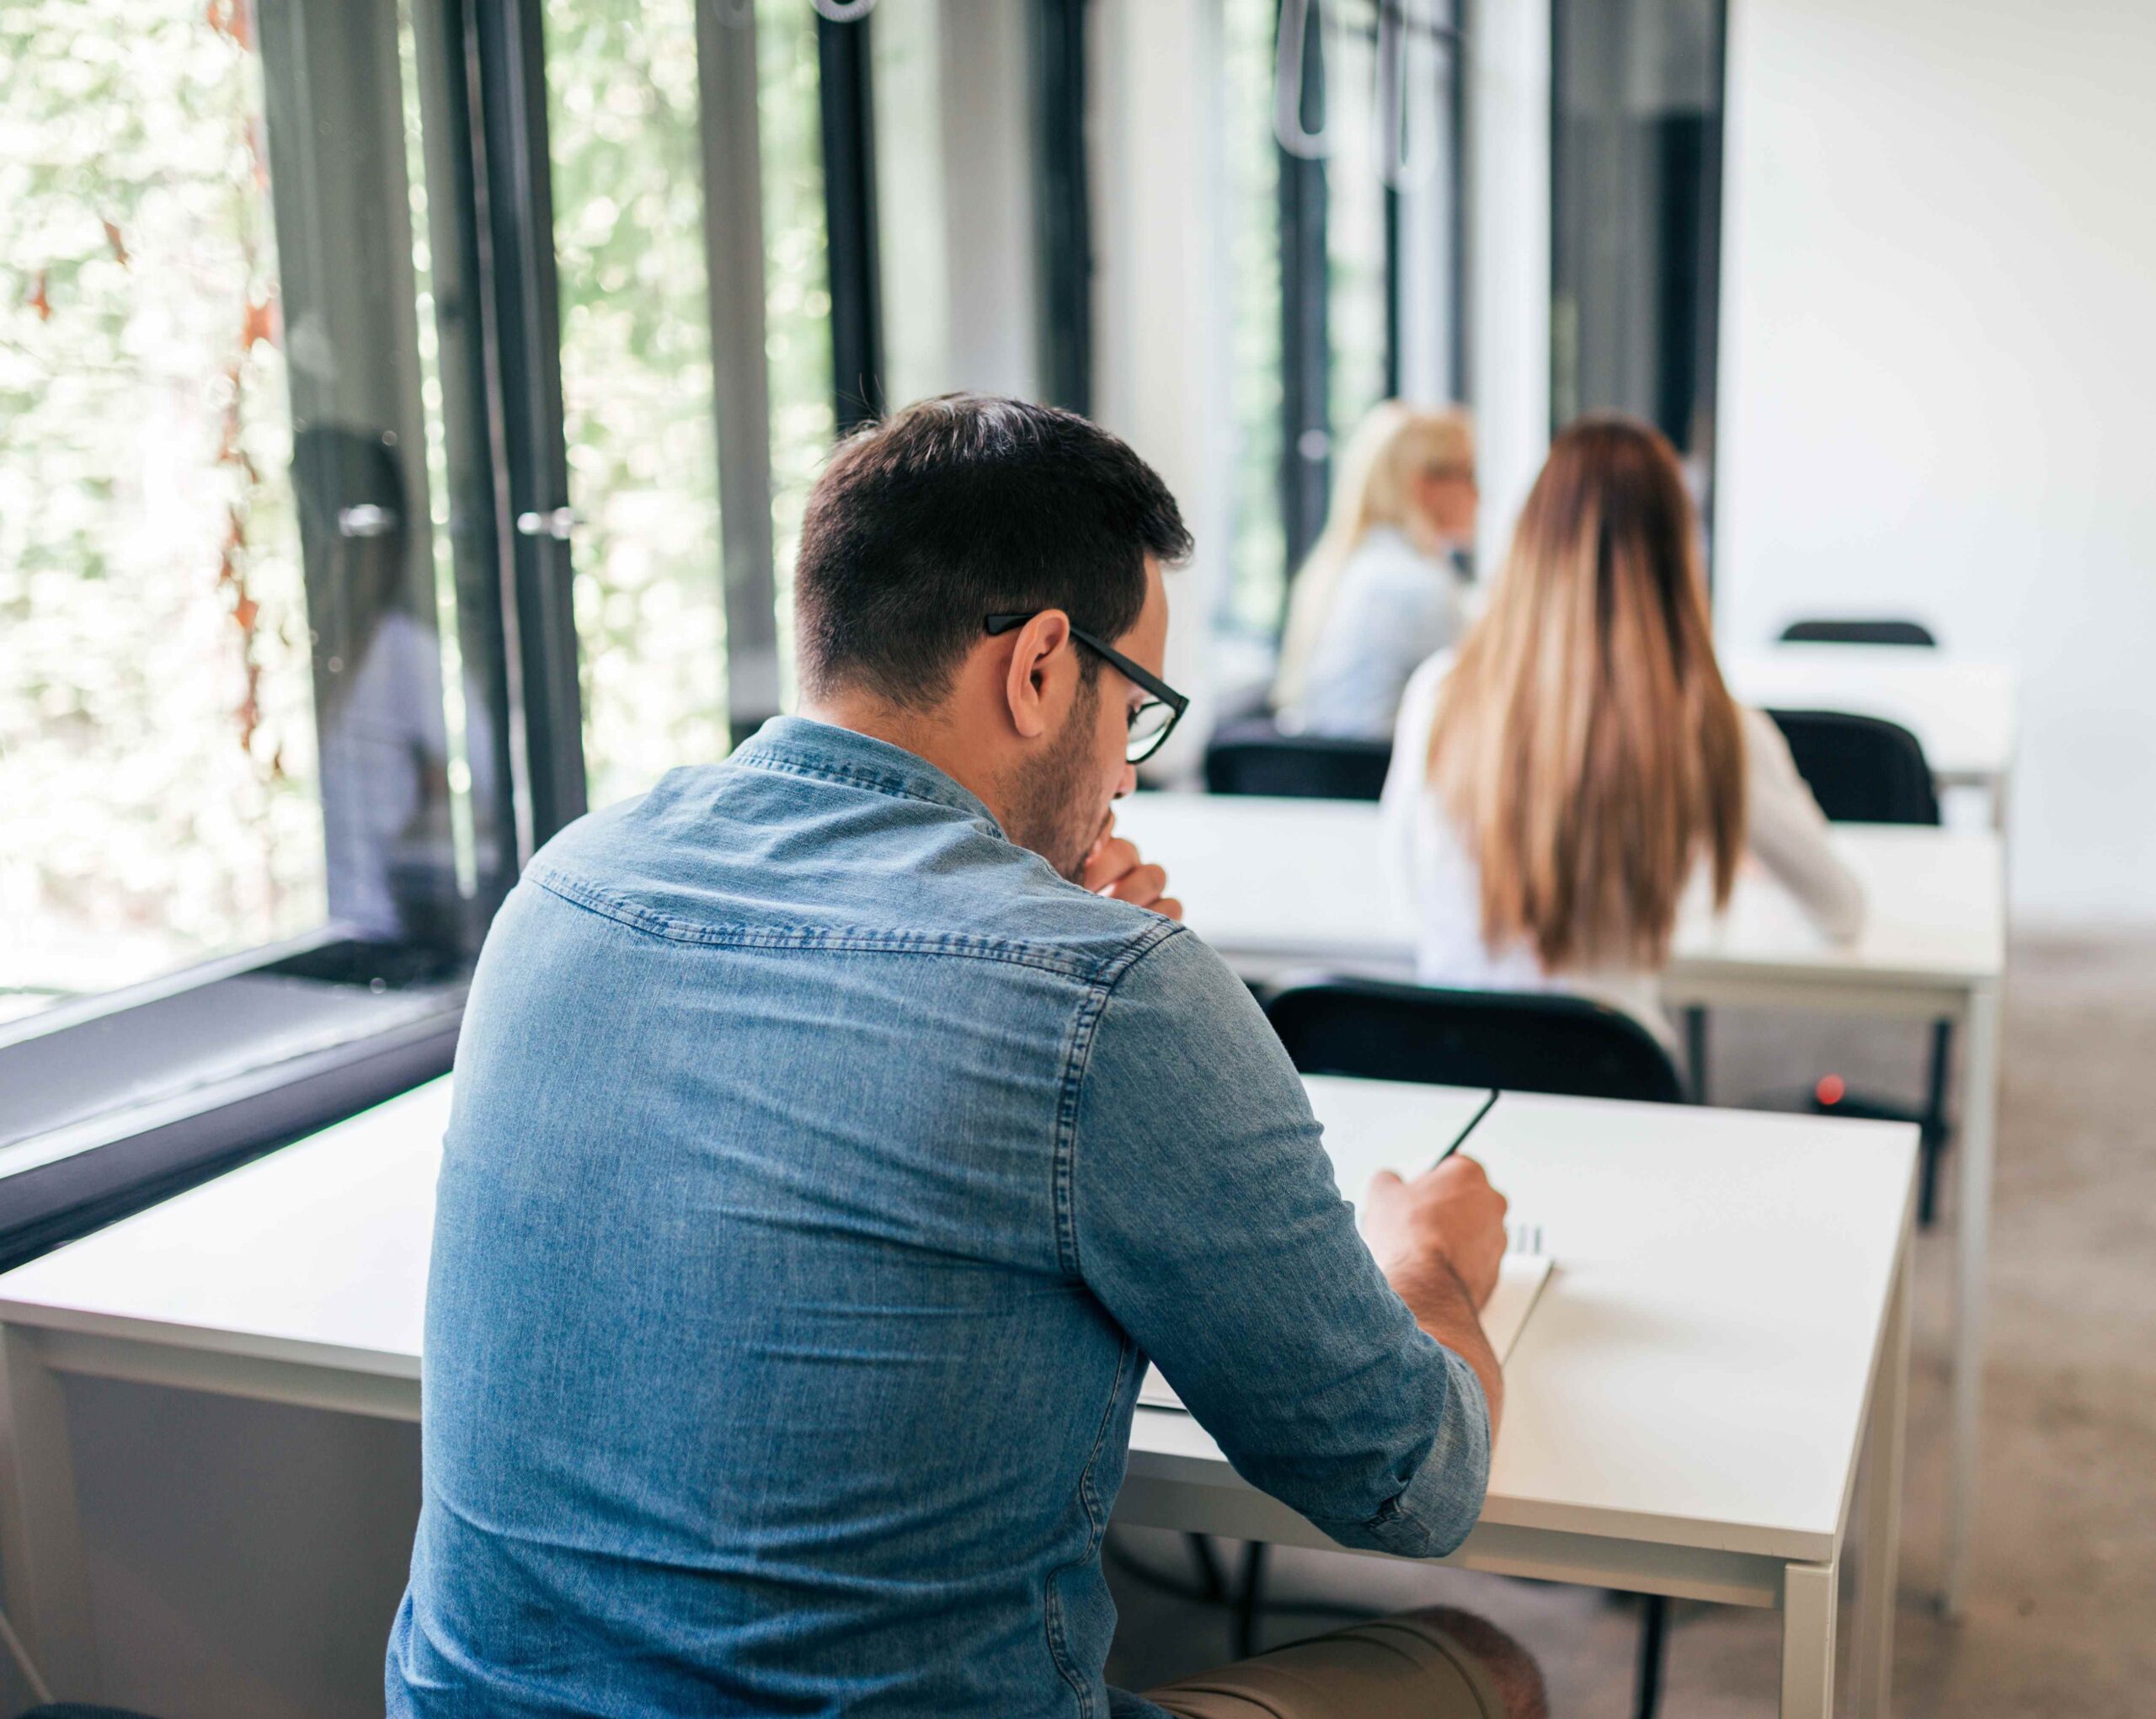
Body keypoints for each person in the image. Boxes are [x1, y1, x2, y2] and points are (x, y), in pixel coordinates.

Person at [386, 395, 1545, 1718]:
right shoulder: (1113, 999)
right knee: (1487, 1663)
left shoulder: (562, 888)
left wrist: (1074, 980)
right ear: (1043, 666)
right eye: (1136, 706)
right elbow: (1411, 1482)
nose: (1124, 772)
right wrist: (1431, 1262)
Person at [1381, 414, 1864, 1048]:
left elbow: (1406, 893)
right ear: (1679, 557)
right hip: (1617, 1087)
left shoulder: (1438, 695)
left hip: (1451, 1098)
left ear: (1528, 541)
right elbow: (1842, 911)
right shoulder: (1713, 725)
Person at [1273, 402, 1478, 739]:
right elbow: (1480, 710)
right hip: (1378, 776)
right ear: (1427, 486)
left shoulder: (1342, 569)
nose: (1478, 493)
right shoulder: (1420, 587)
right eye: (1469, 474)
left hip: (1327, 779)